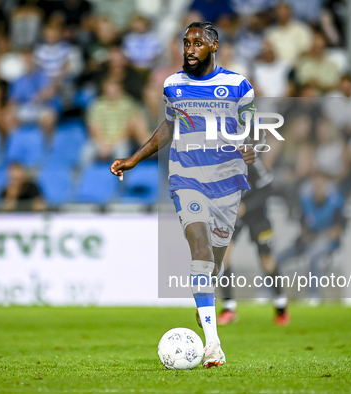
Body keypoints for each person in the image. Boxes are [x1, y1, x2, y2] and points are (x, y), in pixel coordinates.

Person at [111, 22, 260, 368]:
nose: (189, 49)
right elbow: (168, 126)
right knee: (201, 249)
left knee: (214, 263)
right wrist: (134, 159)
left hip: (227, 183)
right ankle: (213, 346)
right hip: (186, 178)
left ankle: (203, 302)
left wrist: (249, 146)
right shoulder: (173, 86)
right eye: (185, 43)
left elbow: (250, 127)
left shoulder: (238, 86)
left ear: (214, 46)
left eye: (197, 43)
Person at [218, 158, 290, 326]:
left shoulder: (251, 161)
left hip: (257, 215)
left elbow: (267, 189)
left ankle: (281, 305)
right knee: (223, 257)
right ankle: (229, 308)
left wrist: (246, 206)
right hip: (233, 214)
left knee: (266, 261)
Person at [276, 170, 346, 300]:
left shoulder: (335, 201)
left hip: (327, 243)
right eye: (315, 180)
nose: (318, 183)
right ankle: (268, 293)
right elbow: (303, 225)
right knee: (278, 257)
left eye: (321, 180)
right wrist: (307, 236)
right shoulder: (306, 201)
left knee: (314, 256)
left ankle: (313, 295)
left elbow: (338, 229)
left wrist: (320, 237)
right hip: (307, 241)